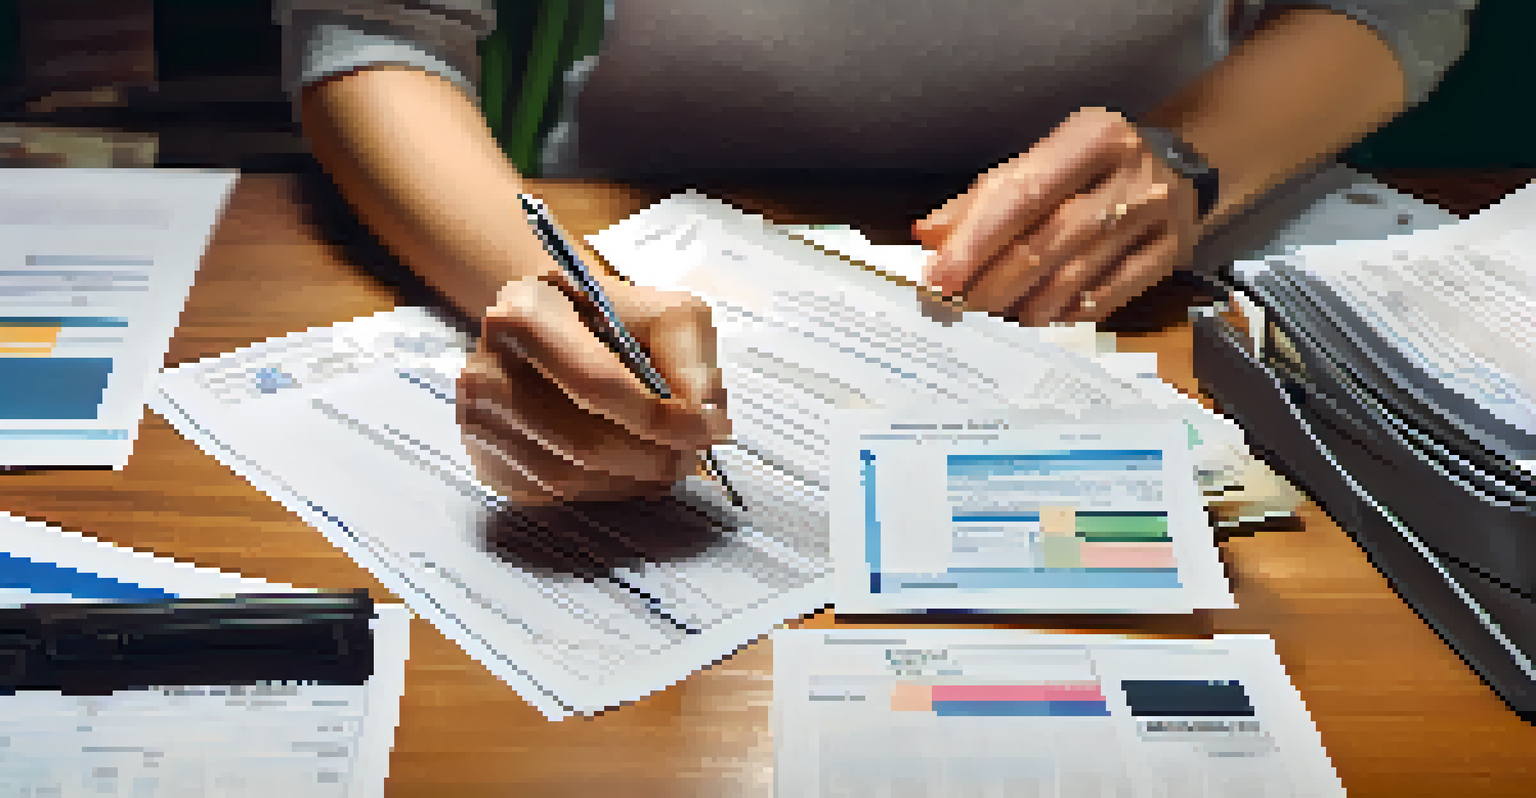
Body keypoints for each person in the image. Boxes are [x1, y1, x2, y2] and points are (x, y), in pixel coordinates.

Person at [277, 0, 1475, 507]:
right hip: (625, 222)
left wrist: (1194, 162)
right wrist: (545, 284)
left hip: (1153, 263)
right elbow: (372, 26)